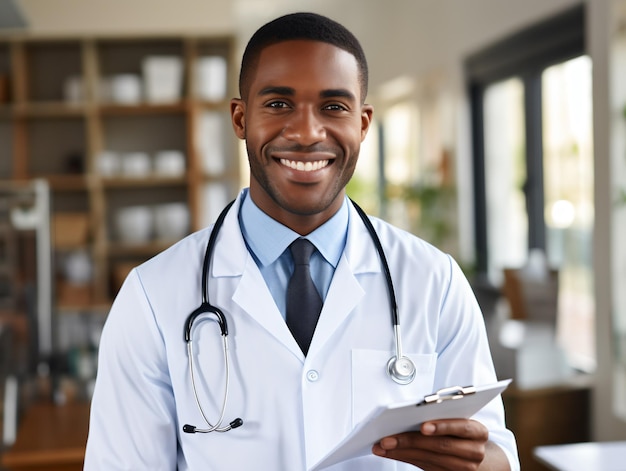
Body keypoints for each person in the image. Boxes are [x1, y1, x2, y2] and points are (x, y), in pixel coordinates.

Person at [84, 12, 519, 471]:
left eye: (334, 106)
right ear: (240, 117)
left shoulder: (434, 281)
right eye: (277, 104)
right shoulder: (152, 297)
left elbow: (494, 454)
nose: (308, 133)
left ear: (364, 123)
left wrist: (479, 463)